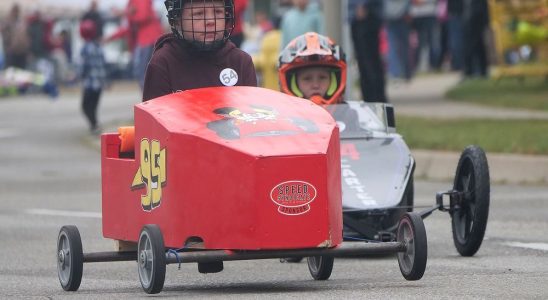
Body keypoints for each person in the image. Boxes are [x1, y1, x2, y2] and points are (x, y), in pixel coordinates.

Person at [143, 0, 257, 102]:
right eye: (198, 14)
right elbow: (153, 122)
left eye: (217, 12)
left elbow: (252, 119)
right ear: (177, 20)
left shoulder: (241, 62)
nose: (211, 21)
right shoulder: (163, 63)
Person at [278, 32, 360, 132]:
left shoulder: (348, 115)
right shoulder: (282, 119)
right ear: (293, 83)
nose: (315, 85)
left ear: (334, 81)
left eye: (322, 77)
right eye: (307, 78)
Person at [350, 0, 387, 102]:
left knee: (370, 62)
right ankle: (369, 97)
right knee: (363, 62)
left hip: (367, 15)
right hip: (356, 16)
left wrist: (362, 4)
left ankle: (376, 98)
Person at [79, 20, 107, 134]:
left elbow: (83, 66)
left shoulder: (85, 48)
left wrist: (78, 76)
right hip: (99, 84)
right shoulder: (98, 46)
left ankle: (94, 126)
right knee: (93, 106)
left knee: (85, 106)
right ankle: (94, 126)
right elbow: (104, 64)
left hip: (90, 83)